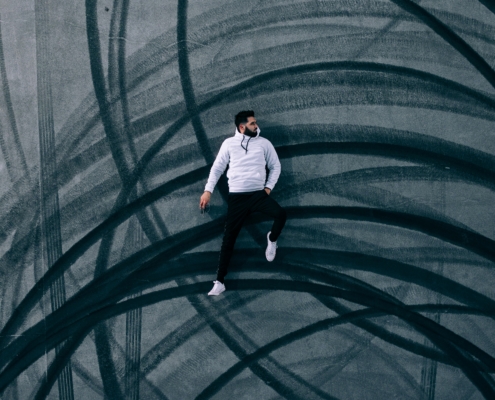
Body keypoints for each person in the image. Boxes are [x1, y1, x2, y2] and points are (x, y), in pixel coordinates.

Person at [199, 110, 287, 296]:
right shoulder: (229, 144)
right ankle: (220, 281)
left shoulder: (263, 144)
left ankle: (272, 240)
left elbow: (275, 166)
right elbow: (217, 169)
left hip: (258, 195)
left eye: (255, 123)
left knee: (281, 214)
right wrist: (208, 191)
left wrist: (268, 188)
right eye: (252, 124)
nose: (256, 126)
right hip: (237, 198)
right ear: (242, 127)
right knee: (228, 239)